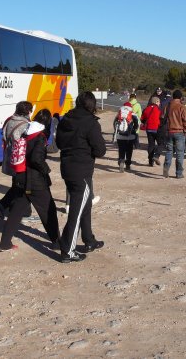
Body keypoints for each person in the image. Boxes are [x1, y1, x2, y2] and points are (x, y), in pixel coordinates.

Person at [0, 109, 61, 252]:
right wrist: (46, 169)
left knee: (16, 212)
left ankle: (4, 243)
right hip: (35, 181)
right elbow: (36, 159)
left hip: (20, 178)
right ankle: (57, 242)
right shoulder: (40, 136)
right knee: (48, 210)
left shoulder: (26, 131)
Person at [56, 91, 106, 263]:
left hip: (67, 168)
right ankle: (67, 250)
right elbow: (100, 150)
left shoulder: (66, 119)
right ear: (92, 105)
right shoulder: (90, 123)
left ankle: (89, 240)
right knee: (76, 211)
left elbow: (59, 143)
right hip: (81, 170)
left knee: (85, 205)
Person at [0, 101, 33, 220]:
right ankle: (13, 208)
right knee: (22, 186)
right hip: (20, 161)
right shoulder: (25, 125)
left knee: (16, 184)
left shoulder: (9, 121)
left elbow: (4, 137)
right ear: (28, 111)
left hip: (10, 158)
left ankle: (12, 208)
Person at [163, 90, 186, 178]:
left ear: (173, 97)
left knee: (169, 151)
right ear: (181, 97)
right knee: (179, 153)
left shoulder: (168, 106)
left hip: (169, 131)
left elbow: (162, 118)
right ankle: (179, 173)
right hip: (179, 132)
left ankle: (166, 167)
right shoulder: (182, 107)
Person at [113, 102, 139, 172]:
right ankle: (128, 164)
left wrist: (116, 131)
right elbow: (136, 125)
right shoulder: (133, 114)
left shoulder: (119, 114)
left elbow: (114, 123)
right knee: (129, 150)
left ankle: (121, 161)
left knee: (121, 150)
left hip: (120, 136)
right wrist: (134, 130)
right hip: (130, 136)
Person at [140, 96, 162, 166]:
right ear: (156, 102)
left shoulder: (146, 108)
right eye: (159, 102)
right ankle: (156, 156)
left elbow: (142, 118)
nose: (159, 103)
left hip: (148, 129)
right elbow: (161, 118)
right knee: (161, 144)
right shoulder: (158, 109)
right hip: (157, 128)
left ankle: (150, 161)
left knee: (151, 145)